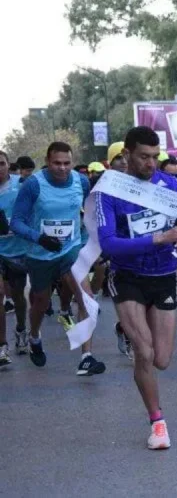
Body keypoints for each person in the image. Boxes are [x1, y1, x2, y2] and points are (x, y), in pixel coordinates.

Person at [97, 126, 177, 449]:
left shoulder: (169, 184)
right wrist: (157, 238)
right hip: (128, 276)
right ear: (127, 155)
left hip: (162, 276)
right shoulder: (110, 190)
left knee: (162, 359)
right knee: (144, 353)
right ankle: (157, 423)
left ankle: (134, 337)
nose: (151, 164)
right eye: (144, 157)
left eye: (155, 157)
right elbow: (109, 245)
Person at [10, 142, 105, 375]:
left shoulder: (81, 181)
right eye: (57, 163)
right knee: (41, 302)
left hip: (69, 250)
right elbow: (16, 222)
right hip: (39, 254)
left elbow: (89, 212)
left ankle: (86, 357)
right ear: (47, 160)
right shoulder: (34, 185)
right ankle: (33, 337)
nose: (62, 168)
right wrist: (39, 238)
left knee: (86, 298)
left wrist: (85, 239)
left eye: (66, 163)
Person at [0, 150, 29, 365]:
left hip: (19, 249)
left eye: (1, 163)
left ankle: (21, 329)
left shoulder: (23, 184)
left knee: (19, 298)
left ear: (8, 165)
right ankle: (2, 345)